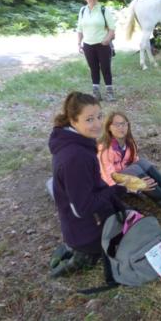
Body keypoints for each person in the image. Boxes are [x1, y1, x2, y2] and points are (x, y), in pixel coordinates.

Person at [48, 92, 127, 277]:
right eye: (89, 119)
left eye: (99, 116)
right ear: (73, 121)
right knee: (126, 227)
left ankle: (73, 246)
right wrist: (116, 190)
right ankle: (82, 255)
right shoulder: (76, 157)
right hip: (87, 232)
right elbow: (83, 208)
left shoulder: (72, 141)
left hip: (75, 226)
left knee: (125, 211)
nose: (98, 124)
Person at [98, 111, 161, 216]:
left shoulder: (129, 142)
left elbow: (134, 161)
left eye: (124, 123)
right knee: (134, 169)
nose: (121, 127)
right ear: (109, 128)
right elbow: (109, 179)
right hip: (112, 187)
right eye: (117, 124)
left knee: (142, 162)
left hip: (126, 178)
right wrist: (135, 185)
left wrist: (142, 177)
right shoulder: (105, 149)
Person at [77, 0, 116, 102]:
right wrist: (79, 43)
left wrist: (107, 40)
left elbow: (112, 28)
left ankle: (109, 93)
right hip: (88, 45)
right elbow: (80, 28)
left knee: (105, 68)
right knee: (93, 68)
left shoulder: (103, 10)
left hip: (102, 45)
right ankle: (96, 93)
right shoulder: (83, 10)